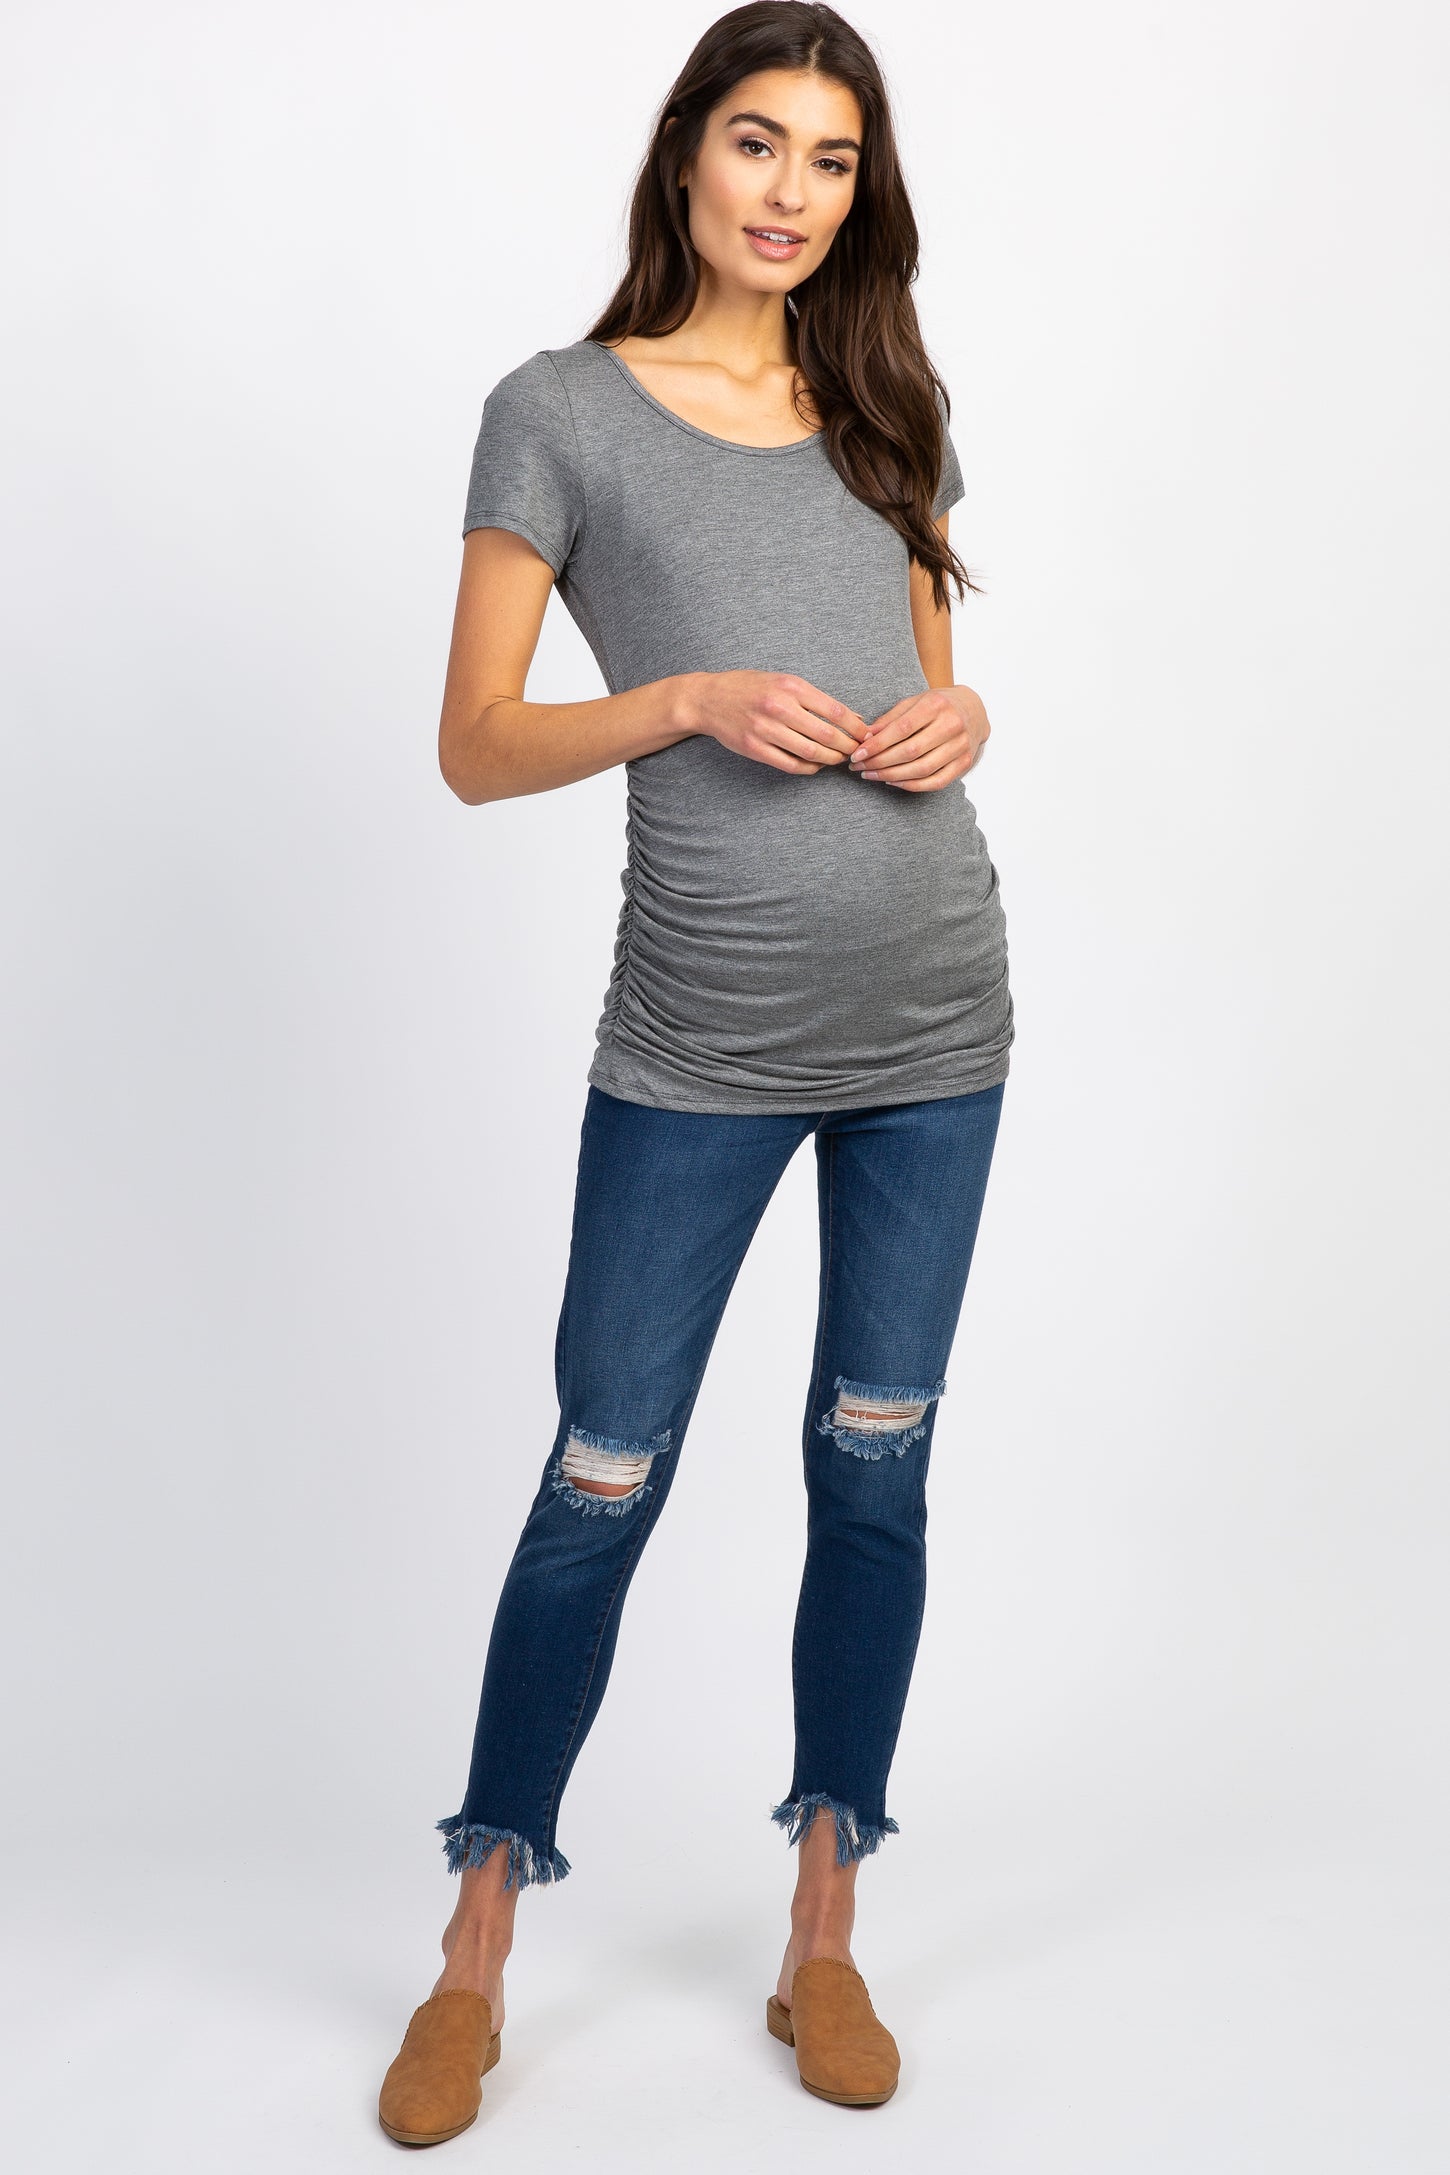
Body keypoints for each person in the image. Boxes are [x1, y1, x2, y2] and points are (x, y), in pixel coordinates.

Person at [378, 1, 1015, 2143]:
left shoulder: (884, 401)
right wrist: (680, 697)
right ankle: (474, 1948)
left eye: (830, 159)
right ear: (683, 156)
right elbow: (475, 747)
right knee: (602, 1471)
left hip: (934, 1027)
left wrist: (961, 717)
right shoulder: (557, 413)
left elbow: (926, 678)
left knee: (872, 1468)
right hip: (698, 1044)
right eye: (757, 142)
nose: (788, 192)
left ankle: (821, 1926)